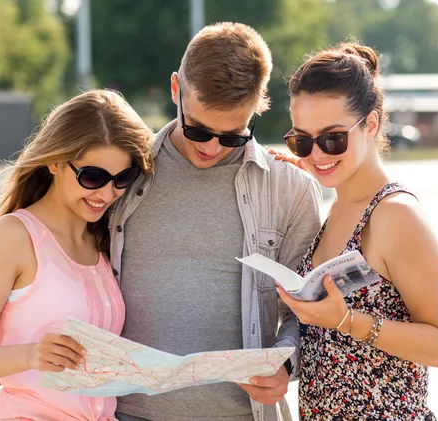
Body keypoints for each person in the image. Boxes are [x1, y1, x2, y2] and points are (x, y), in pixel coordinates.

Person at [108, 22, 322, 421]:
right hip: (124, 413)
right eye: (198, 130)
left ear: (258, 107)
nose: (210, 148)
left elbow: (309, 312)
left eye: (232, 136)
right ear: (176, 89)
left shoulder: (290, 189)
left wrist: (286, 365)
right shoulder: (123, 171)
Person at [271, 42, 438, 420]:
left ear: (371, 125)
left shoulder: (396, 215)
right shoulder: (338, 206)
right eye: (302, 140)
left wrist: (346, 321)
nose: (318, 154)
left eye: (333, 138)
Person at [0, 90, 154, 421]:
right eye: (93, 177)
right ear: (55, 161)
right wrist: (31, 355)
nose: (106, 193)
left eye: (122, 179)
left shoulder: (104, 240)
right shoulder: (14, 237)